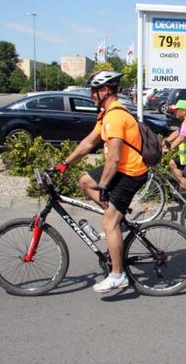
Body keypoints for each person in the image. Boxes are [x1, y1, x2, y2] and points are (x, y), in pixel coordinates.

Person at [54, 71, 148, 293]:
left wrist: (104, 186)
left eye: (93, 91)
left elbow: (114, 158)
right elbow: (88, 143)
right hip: (120, 167)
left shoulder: (115, 117)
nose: (91, 95)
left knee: (108, 223)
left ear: (105, 90)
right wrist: (64, 163)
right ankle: (118, 217)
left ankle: (118, 275)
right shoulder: (107, 114)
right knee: (85, 182)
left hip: (130, 172)